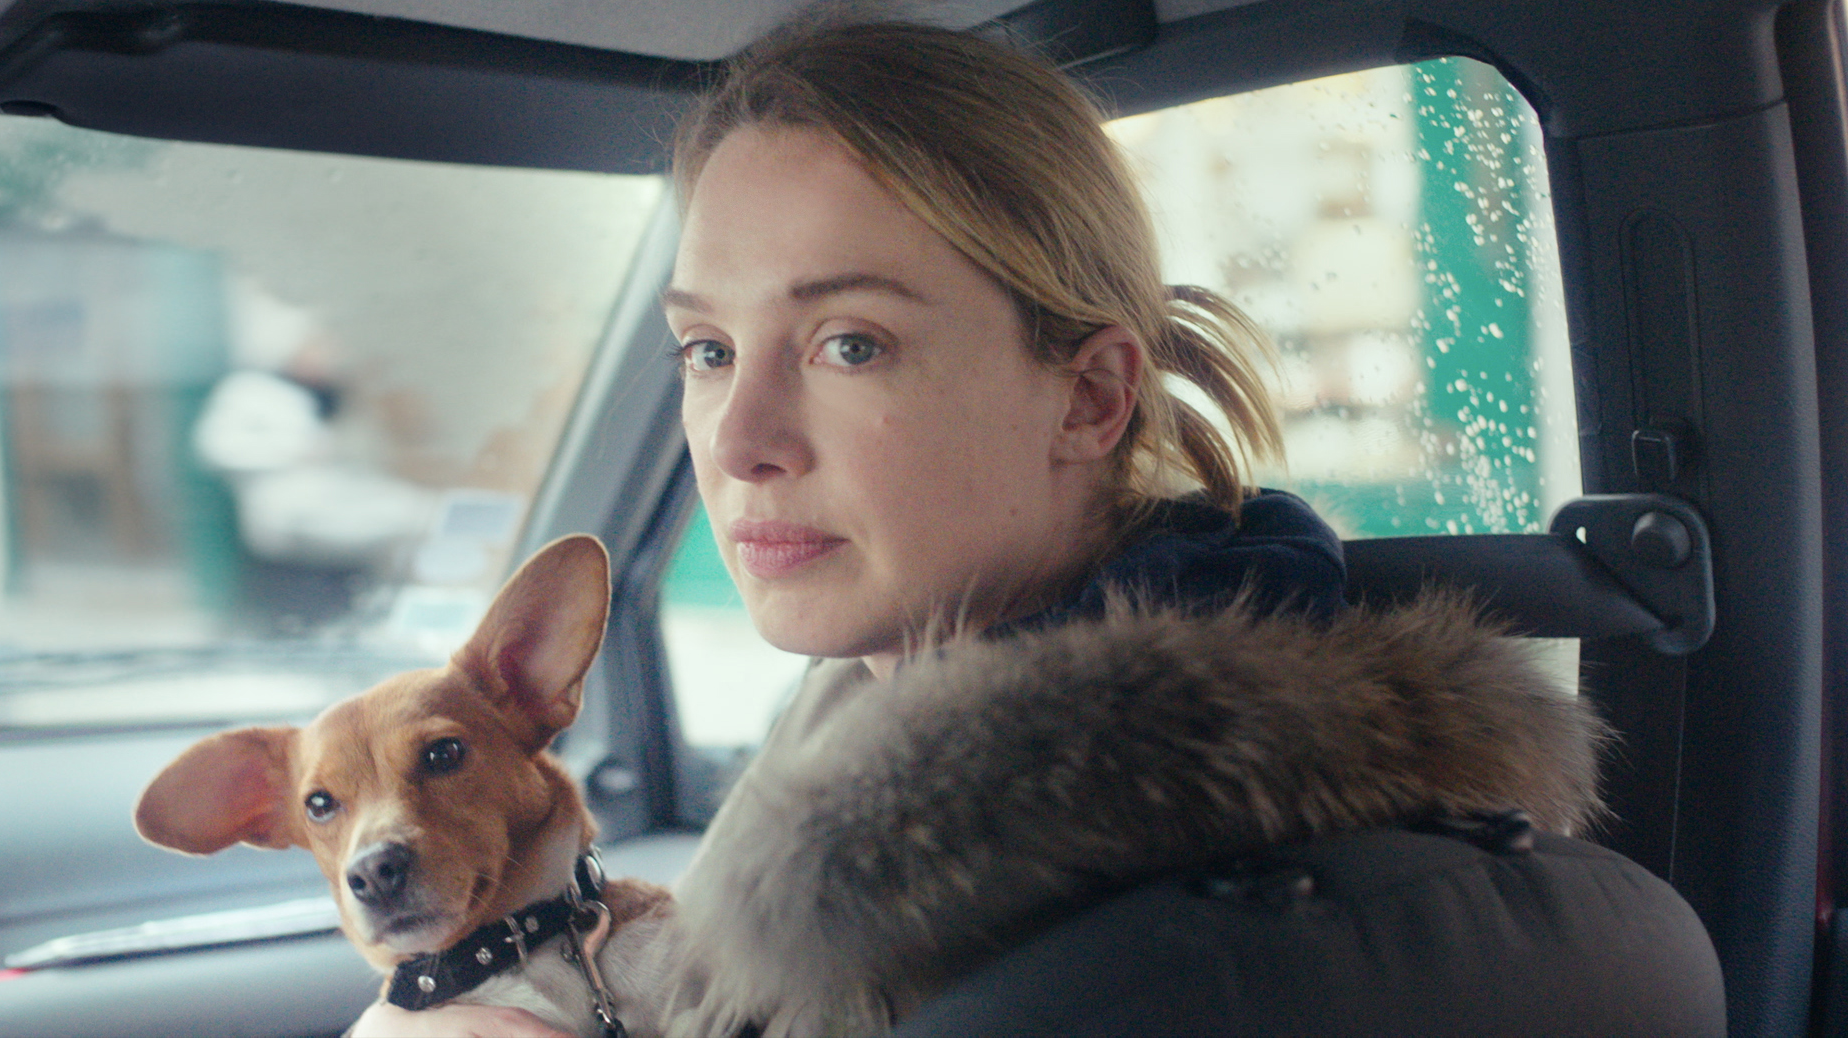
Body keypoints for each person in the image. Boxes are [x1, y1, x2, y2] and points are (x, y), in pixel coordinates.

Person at [351, 10, 1718, 1038]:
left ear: (1090, 395)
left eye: (849, 343)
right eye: (707, 350)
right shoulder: (868, 729)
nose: (740, 439)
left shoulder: (1076, 932)